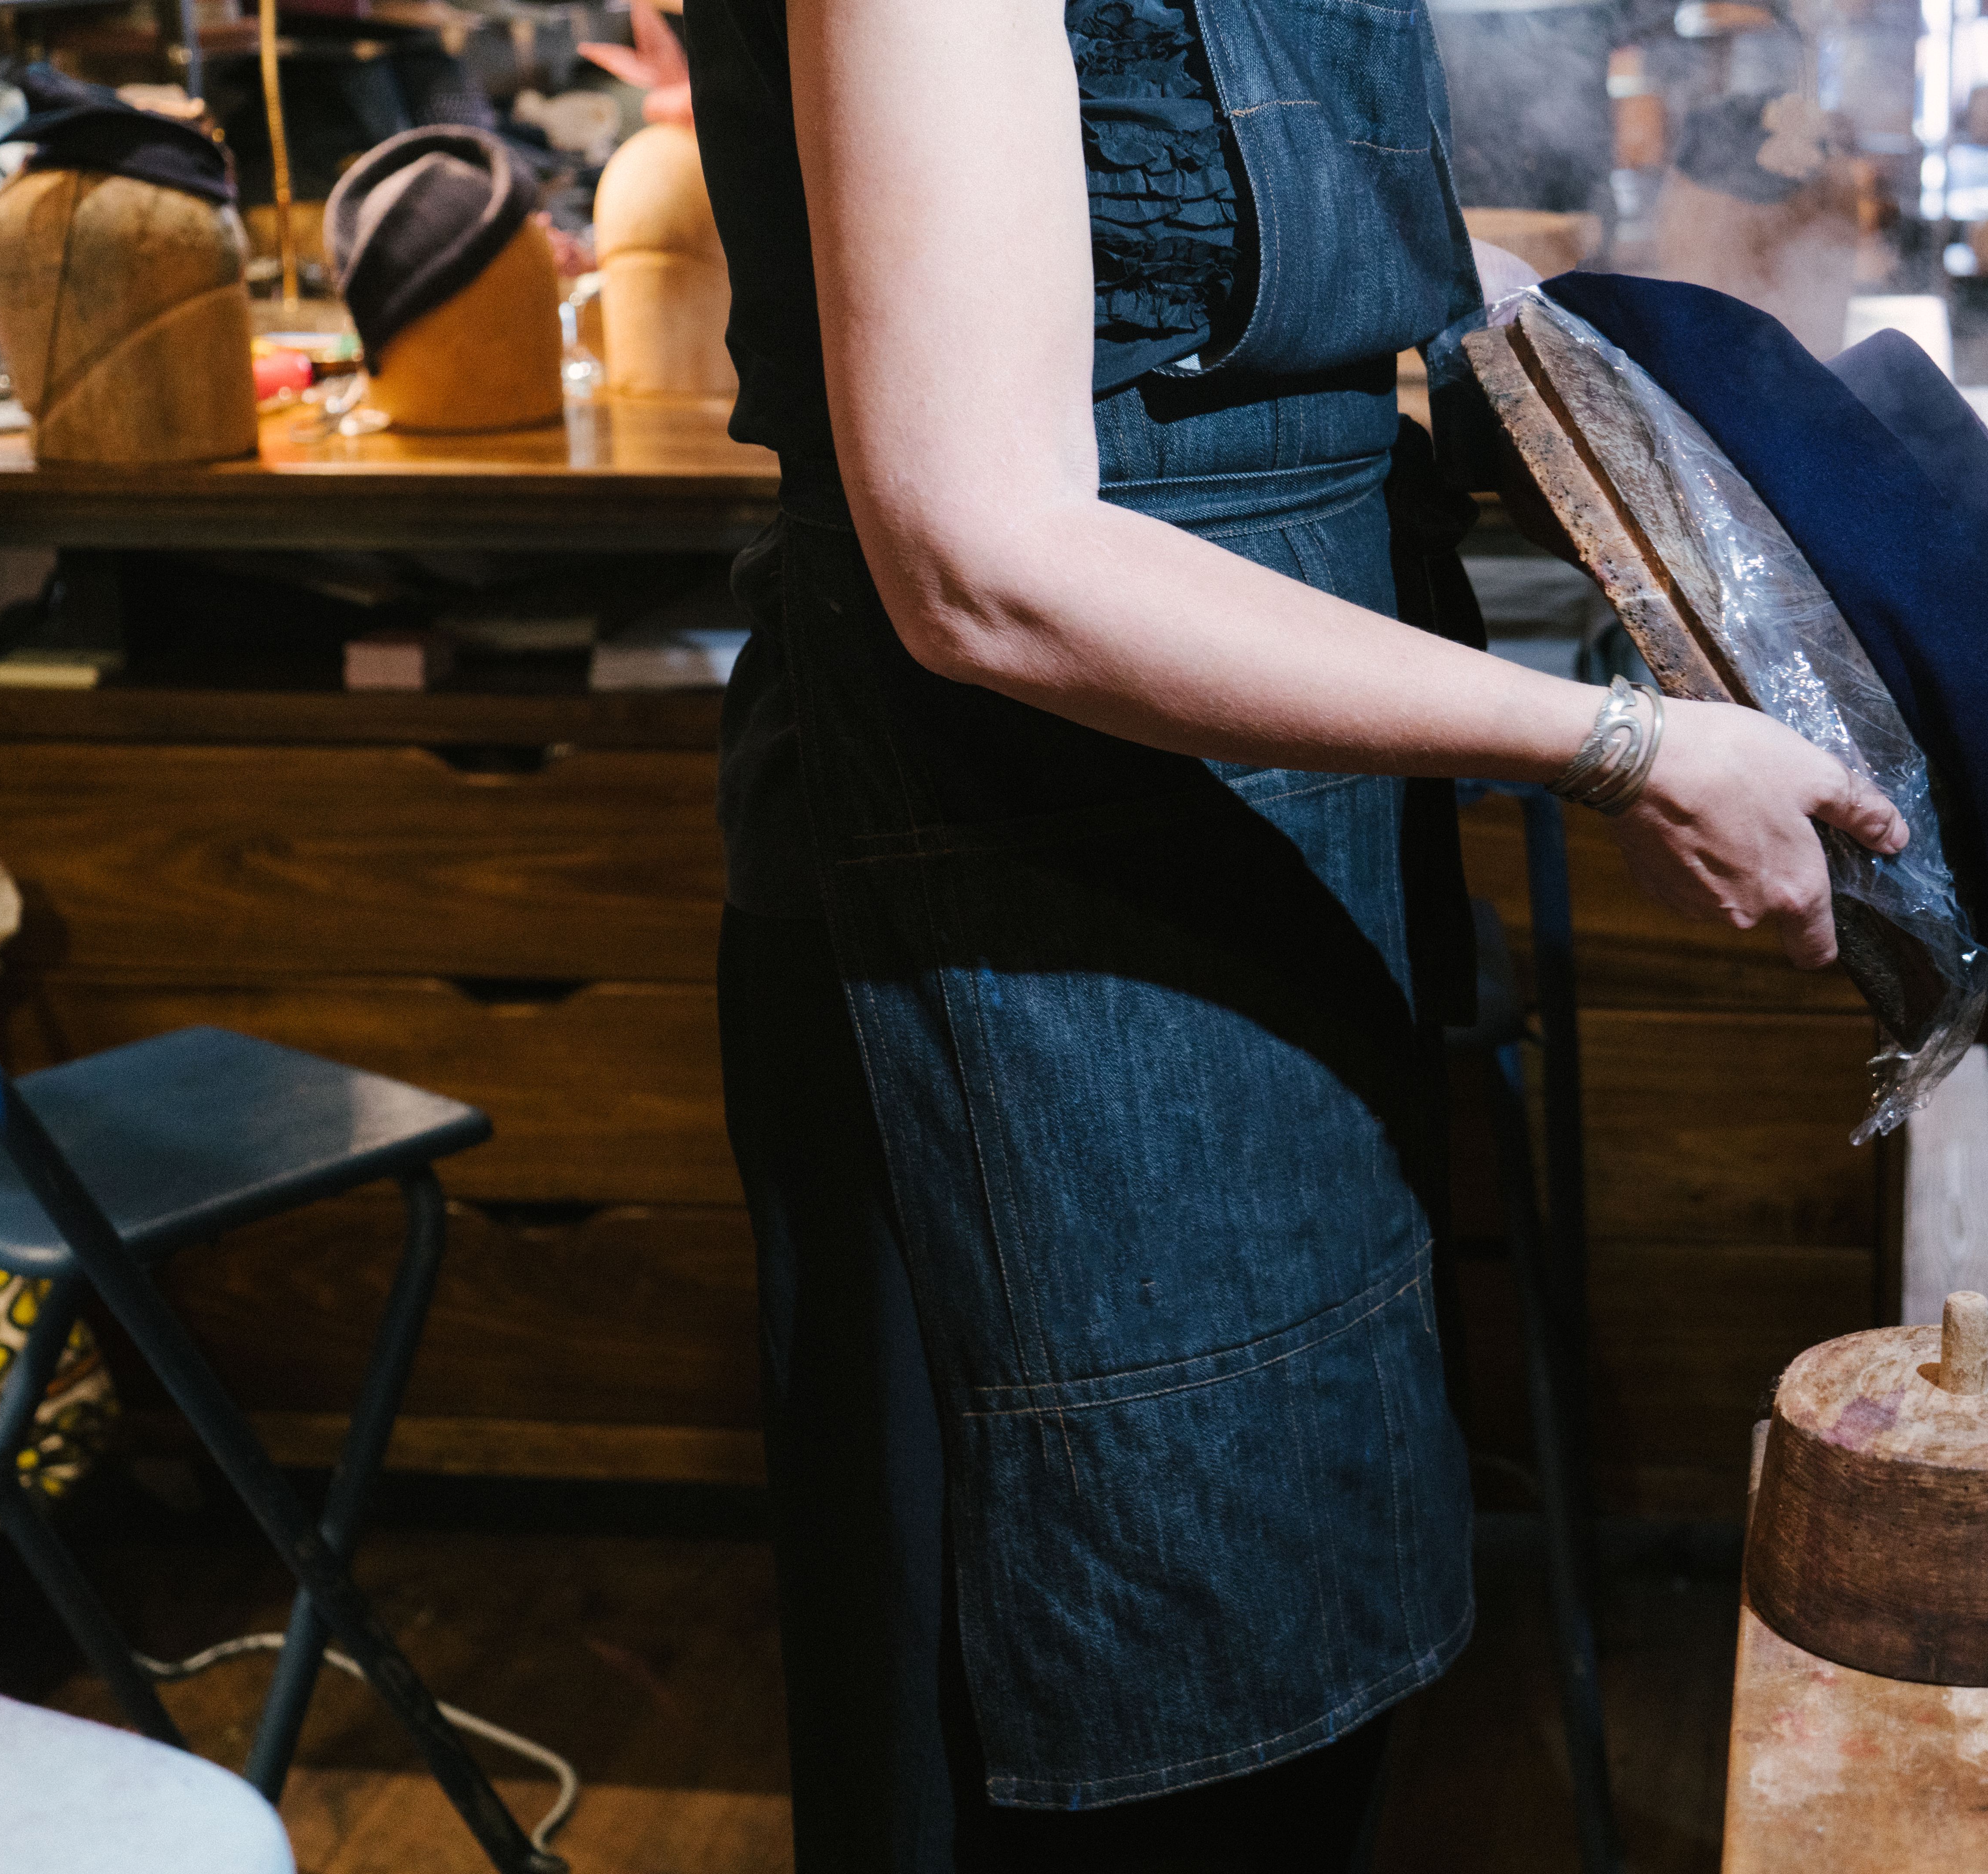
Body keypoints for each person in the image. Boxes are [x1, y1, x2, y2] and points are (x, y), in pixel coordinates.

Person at [678, 2, 1905, 1867]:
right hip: (1008, 915)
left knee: (1271, 1699)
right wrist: (1617, 749)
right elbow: (980, 561)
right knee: (1078, 1734)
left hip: (1280, 853)